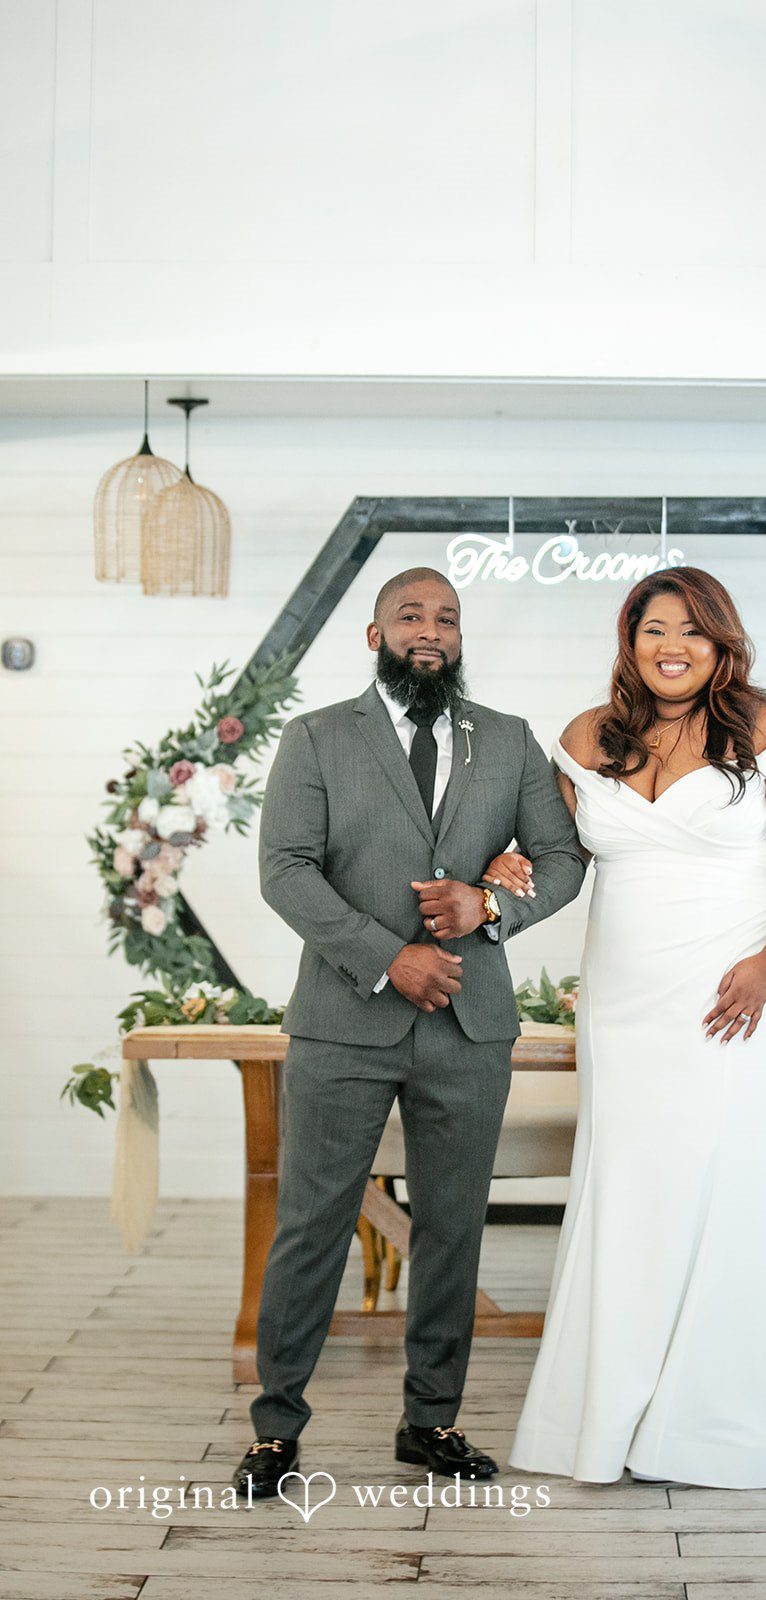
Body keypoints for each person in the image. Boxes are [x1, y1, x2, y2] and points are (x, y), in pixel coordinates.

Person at [493, 566, 766, 1488]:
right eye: (654, 628)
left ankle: (716, 1417)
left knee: (727, 1185)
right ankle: (611, 1408)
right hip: (623, 1002)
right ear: (630, 639)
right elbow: (556, 857)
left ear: (721, 642)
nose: (672, 647)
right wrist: (501, 869)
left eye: (692, 631)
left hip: (733, 993)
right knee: (630, 1187)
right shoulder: (585, 737)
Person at [233, 567, 586, 1499]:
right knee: (311, 1224)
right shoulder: (314, 738)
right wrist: (391, 957)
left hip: (470, 1027)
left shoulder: (507, 741)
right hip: (343, 1025)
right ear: (373, 634)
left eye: (446, 618)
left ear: (459, 638)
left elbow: (561, 859)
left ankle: (430, 1422)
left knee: (452, 1229)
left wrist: (489, 908)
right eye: (409, 616)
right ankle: (276, 1430)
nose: (429, 631)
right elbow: (285, 869)